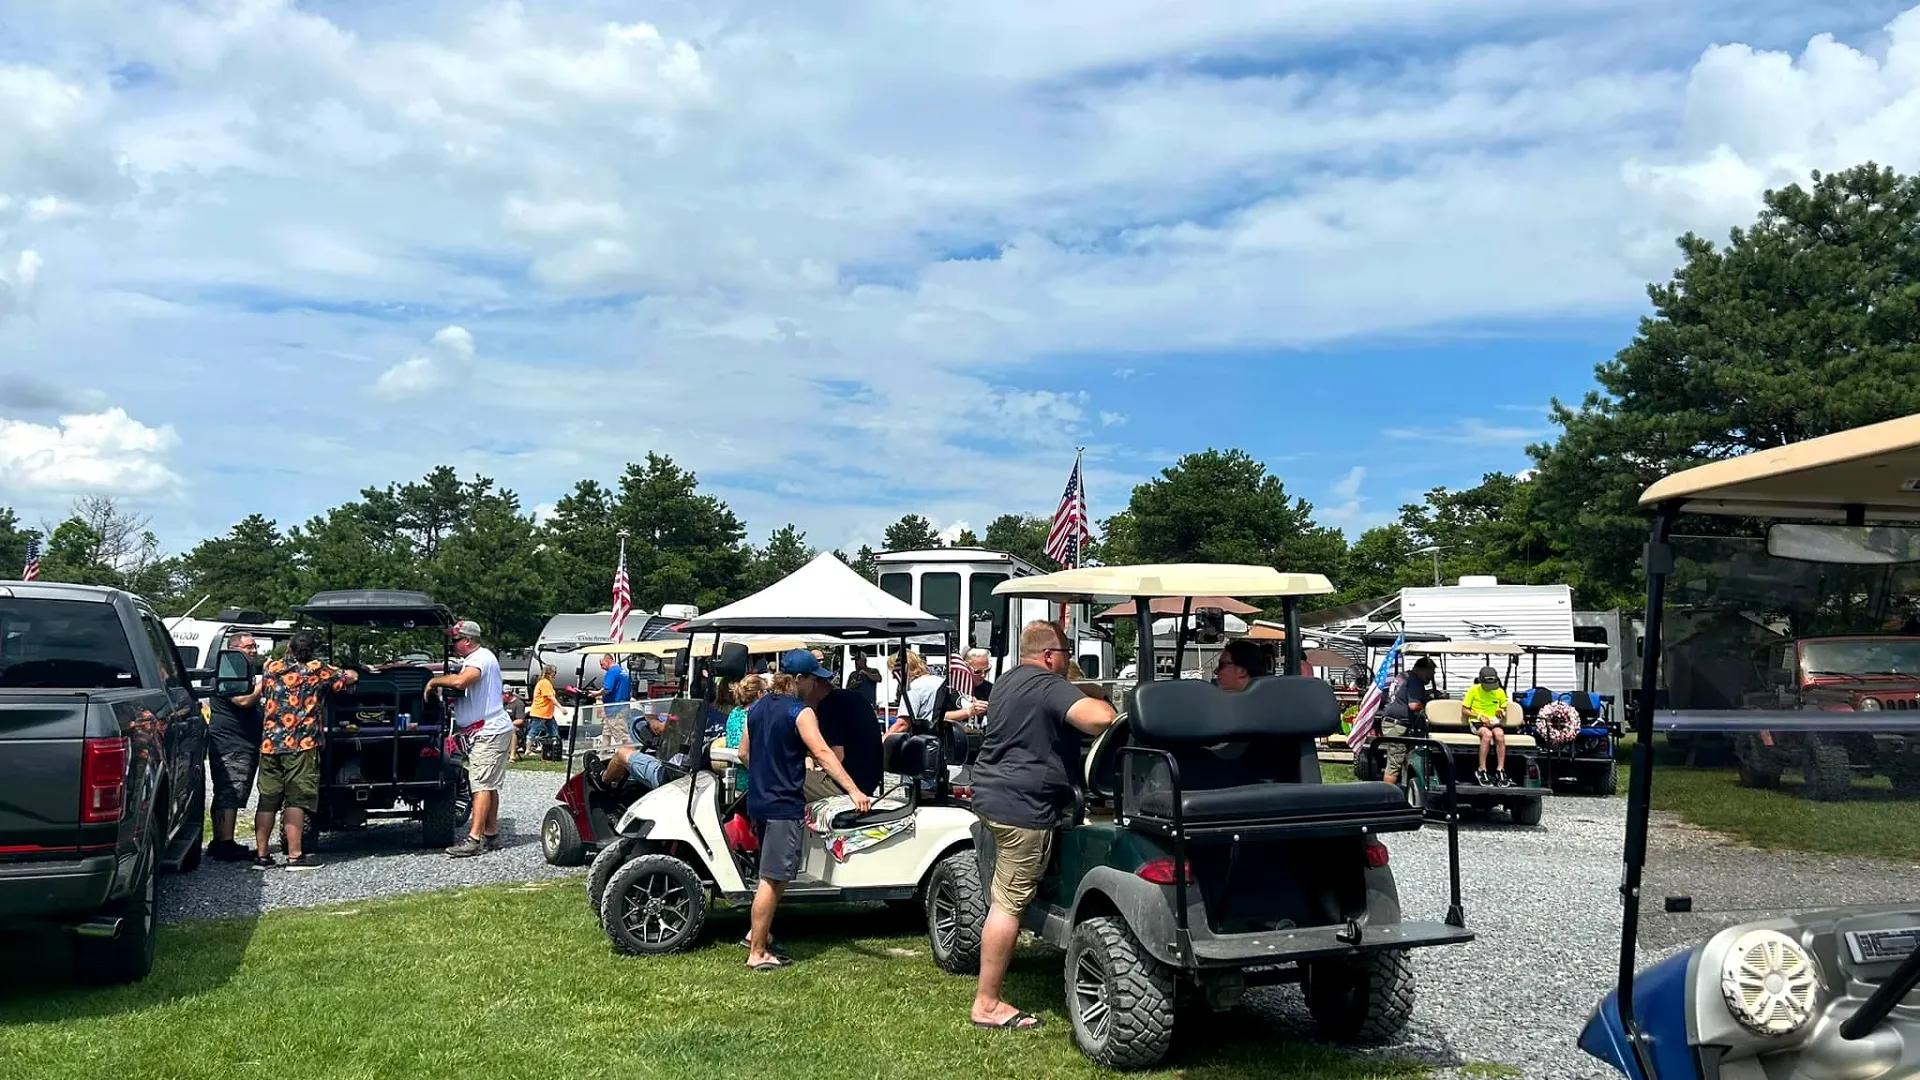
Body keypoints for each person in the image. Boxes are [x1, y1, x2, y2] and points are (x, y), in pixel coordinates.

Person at [967, 621, 1117, 1031]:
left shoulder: (1009, 680)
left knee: (1007, 893)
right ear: (1051, 656)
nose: (1069, 660)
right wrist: (1101, 699)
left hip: (993, 795)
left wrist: (1079, 687)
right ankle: (988, 1002)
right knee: (1008, 904)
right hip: (1023, 806)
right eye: (1067, 653)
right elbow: (1101, 718)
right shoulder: (1048, 684)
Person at [736, 650, 871, 971]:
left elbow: (744, 753)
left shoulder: (756, 708)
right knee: (773, 879)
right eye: (813, 677)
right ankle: (757, 952)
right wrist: (853, 790)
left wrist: (766, 771)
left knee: (770, 875)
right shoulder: (801, 712)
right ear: (798, 679)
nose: (815, 684)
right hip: (783, 805)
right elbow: (823, 753)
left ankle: (758, 934)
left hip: (758, 800)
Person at [235, 631, 357, 870]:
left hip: (270, 745)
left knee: (267, 801)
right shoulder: (317, 670)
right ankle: (295, 856)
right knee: (296, 800)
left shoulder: (271, 667)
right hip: (302, 745)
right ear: (311, 650)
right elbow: (349, 677)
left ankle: (262, 856)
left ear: (289, 648)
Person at [427, 620, 513, 858]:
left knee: (481, 785)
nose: (452, 645)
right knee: (489, 784)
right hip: (485, 730)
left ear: (467, 640)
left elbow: (461, 682)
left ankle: (473, 839)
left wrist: (434, 681)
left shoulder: (480, 659)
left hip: (488, 731)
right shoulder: (475, 659)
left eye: (454, 640)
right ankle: (492, 834)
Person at [205, 633, 264, 862]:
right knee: (230, 791)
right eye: (249, 646)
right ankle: (226, 844)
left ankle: (220, 839)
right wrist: (262, 685)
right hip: (232, 743)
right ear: (234, 648)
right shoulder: (230, 670)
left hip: (237, 741)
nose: (254, 650)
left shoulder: (237, 669)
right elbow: (242, 700)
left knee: (225, 792)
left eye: (255, 646)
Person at [798, 652, 885, 804]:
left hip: (849, 785)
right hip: (868, 778)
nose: (802, 700)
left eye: (801, 694)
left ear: (814, 683)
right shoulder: (852, 697)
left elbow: (837, 755)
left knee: (782, 779)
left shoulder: (830, 706)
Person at [1381, 657, 1437, 788]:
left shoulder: (1403, 676)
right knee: (1395, 762)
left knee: (1403, 760)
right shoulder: (1415, 681)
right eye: (1431, 672)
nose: (1431, 676)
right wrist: (1427, 706)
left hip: (1392, 722)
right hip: (1397, 725)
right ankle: (1386, 796)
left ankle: (1404, 792)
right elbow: (1413, 705)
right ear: (1422, 670)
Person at [1463, 665, 1512, 786]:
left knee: (1500, 735)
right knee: (1487, 734)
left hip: (1494, 721)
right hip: (1477, 721)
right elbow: (1465, 710)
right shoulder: (1473, 690)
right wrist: (1479, 716)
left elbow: (1503, 708)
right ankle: (1482, 769)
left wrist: (1501, 713)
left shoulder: (1500, 691)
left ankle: (1500, 769)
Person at [593, 653, 632, 734]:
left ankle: (625, 747)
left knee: (621, 735)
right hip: (623, 706)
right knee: (606, 734)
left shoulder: (611, 672)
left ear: (607, 660)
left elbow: (607, 689)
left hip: (615, 710)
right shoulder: (622, 671)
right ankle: (605, 746)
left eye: (601, 664)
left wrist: (596, 694)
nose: (601, 667)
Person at [525, 664, 559, 755]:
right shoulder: (544, 683)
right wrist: (561, 707)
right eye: (554, 672)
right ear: (549, 673)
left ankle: (554, 750)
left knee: (554, 731)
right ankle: (528, 750)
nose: (555, 675)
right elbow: (550, 697)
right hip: (540, 712)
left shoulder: (547, 683)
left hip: (547, 713)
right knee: (534, 731)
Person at [845, 647, 882, 714]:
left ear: (864, 660)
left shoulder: (873, 670)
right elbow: (847, 689)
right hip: (855, 705)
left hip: (869, 704)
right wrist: (853, 685)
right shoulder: (853, 674)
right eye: (855, 660)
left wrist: (866, 673)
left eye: (858, 660)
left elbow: (879, 679)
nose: (856, 662)